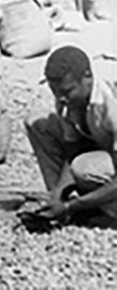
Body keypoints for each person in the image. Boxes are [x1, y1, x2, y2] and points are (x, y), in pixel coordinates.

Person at [24, 46, 117, 224]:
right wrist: (58, 193)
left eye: (67, 91)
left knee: (83, 167)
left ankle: (105, 209)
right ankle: (60, 203)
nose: (61, 99)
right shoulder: (67, 101)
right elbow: (73, 151)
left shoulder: (111, 105)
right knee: (38, 123)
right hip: (105, 152)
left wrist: (72, 206)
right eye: (56, 92)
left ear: (87, 77)